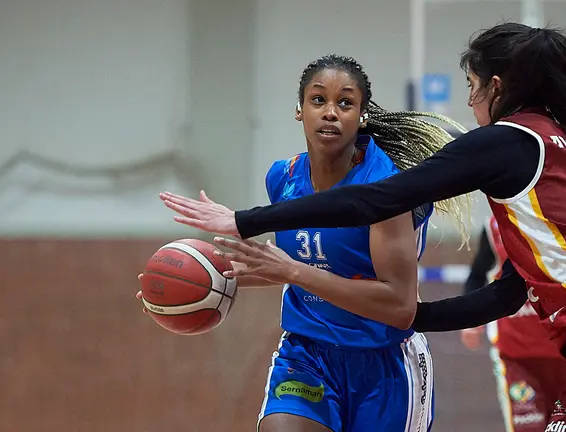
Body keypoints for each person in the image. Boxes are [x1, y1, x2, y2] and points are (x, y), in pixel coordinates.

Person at [160, 23, 566, 431]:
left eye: (471, 87)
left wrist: (244, 220)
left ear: (495, 87)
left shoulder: (512, 141)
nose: (470, 102)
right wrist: (405, 316)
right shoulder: (556, 164)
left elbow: (375, 200)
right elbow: (504, 295)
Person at [140, 54, 471, 432]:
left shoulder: (385, 189)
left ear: (362, 115)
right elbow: (287, 264)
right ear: (299, 110)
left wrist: (292, 271)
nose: (330, 112)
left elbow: (399, 306)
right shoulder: (284, 177)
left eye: (345, 103)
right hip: (307, 354)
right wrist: (177, 284)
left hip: (383, 362)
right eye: (318, 100)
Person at [461, 215, 566, 432]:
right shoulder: (495, 225)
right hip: (517, 359)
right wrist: (470, 320)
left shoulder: (563, 215)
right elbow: (476, 275)